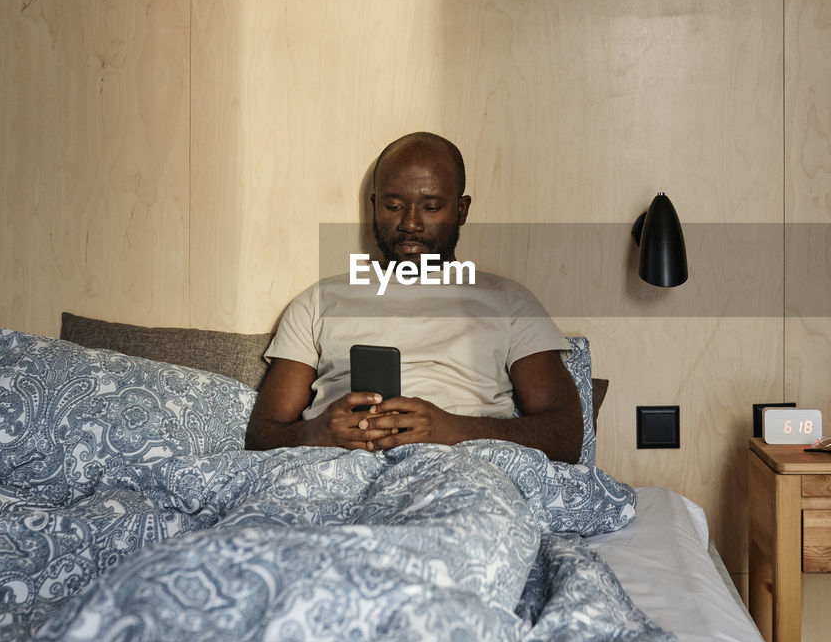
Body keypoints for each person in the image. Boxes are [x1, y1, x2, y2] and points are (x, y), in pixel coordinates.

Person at [245, 132, 583, 463]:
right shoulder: (318, 301)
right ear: (375, 206)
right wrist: (317, 433)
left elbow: (565, 435)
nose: (410, 224)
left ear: (461, 211)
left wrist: (452, 429)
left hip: (462, 470)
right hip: (335, 470)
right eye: (393, 206)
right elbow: (262, 435)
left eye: (431, 207)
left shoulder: (510, 302)